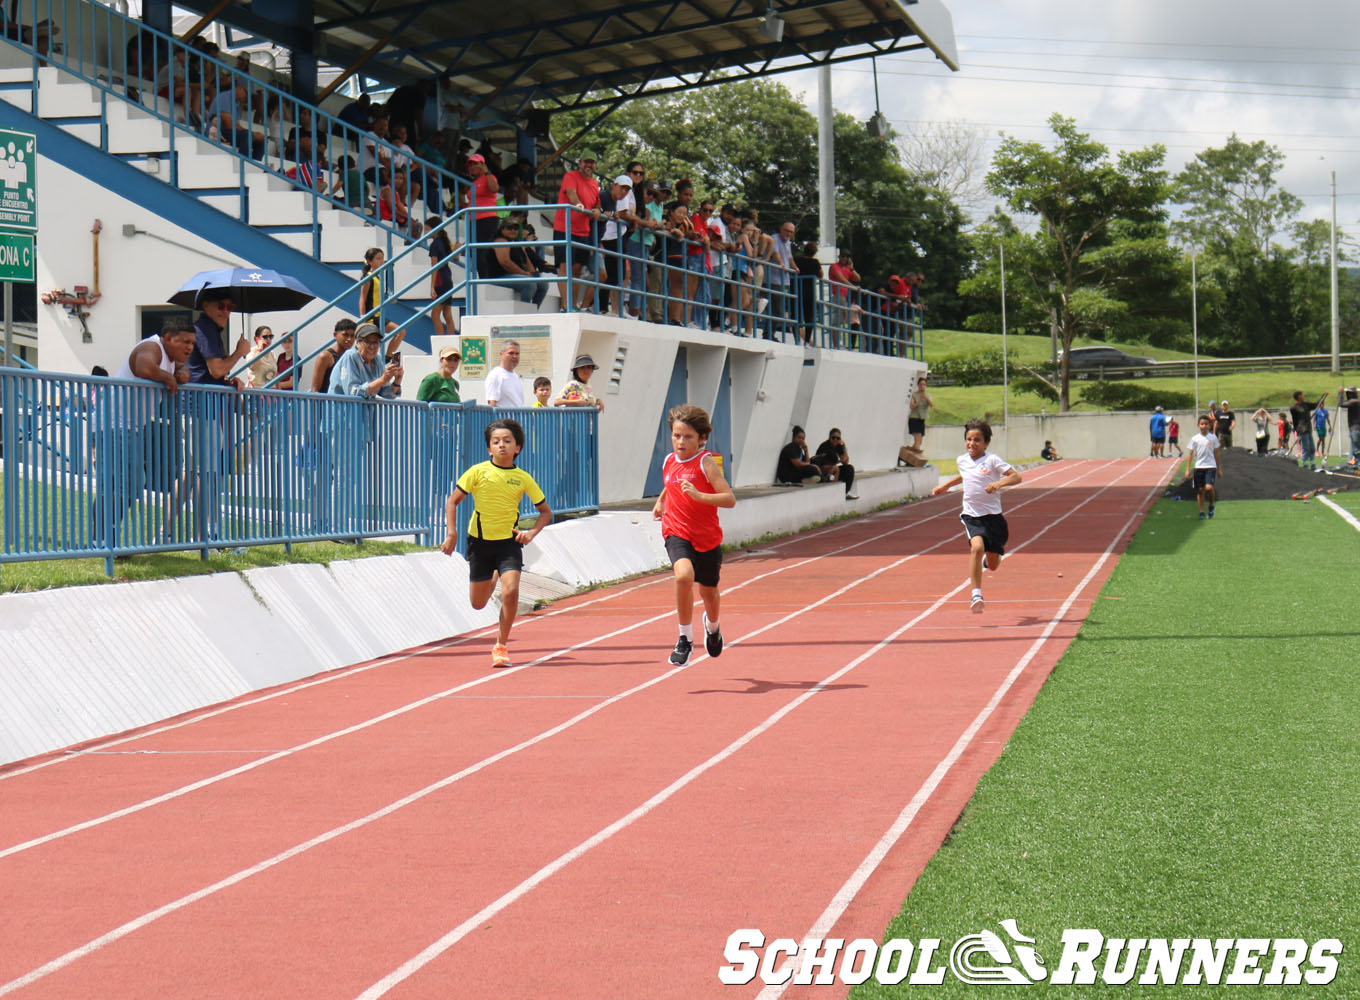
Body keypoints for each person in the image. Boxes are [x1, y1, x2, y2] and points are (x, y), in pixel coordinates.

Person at [440, 418, 553, 669]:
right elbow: (452, 501)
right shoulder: (477, 472)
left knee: (511, 591)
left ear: (518, 448)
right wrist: (452, 533)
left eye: (507, 441)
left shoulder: (523, 478)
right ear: (489, 449)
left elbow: (545, 512)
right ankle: (492, 575)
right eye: (496, 441)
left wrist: (531, 533)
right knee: (478, 603)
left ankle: (501, 646)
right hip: (479, 543)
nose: (501, 445)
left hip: (508, 543)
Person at [92, 320, 196, 548]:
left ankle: (101, 538)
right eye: (185, 342)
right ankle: (101, 539)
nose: (190, 348)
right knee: (123, 482)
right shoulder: (153, 347)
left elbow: (178, 370)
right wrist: (169, 377)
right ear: (168, 337)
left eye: (192, 343)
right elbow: (144, 368)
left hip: (131, 425)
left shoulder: (169, 358)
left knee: (128, 482)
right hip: (116, 422)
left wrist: (180, 372)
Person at [651, 404, 736, 666]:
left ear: (702, 439)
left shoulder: (705, 463)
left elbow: (729, 499)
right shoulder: (668, 460)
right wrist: (661, 501)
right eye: (676, 435)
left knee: (708, 592)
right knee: (683, 576)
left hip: (707, 537)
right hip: (677, 529)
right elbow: (671, 483)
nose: (680, 441)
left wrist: (699, 496)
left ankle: (713, 627)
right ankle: (685, 638)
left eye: (687, 436)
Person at [930, 418, 1022, 614]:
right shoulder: (962, 460)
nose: (972, 443)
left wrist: (998, 484)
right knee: (977, 547)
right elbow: (964, 475)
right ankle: (976, 594)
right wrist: (945, 486)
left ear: (986, 443)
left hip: (994, 518)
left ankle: (989, 561)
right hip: (972, 515)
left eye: (977, 440)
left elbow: (1017, 476)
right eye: (969, 439)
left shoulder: (992, 460)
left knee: (994, 565)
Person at [330, 322, 403, 399]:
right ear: (358, 342)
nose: (372, 347)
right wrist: (383, 379)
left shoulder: (377, 359)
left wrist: (397, 381)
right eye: (367, 342)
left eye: (375, 343)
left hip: (364, 410)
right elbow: (353, 393)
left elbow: (387, 394)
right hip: (342, 409)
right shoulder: (350, 356)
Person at [1182, 413, 1222, 520]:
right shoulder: (1195, 439)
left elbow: (1217, 454)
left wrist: (1219, 469)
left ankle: (1211, 505)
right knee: (1200, 490)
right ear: (1198, 425)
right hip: (1199, 467)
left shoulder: (1213, 438)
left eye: (1206, 424)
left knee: (1209, 487)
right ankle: (1202, 512)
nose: (1204, 426)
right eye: (1202, 424)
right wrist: (1187, 469)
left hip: (1210, 466)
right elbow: (1190, 454)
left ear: (1209, 425)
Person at [426, 216, 457, 338]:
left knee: (435, 314)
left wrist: (432, 287)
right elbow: (455, 257)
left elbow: (435, 266)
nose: (425, 232)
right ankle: (451, 339)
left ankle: (442, 342)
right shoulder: (444, 241)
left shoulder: (434, 244)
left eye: (427, 229)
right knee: (447, 313)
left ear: (436, 229)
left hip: (440, 280)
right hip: (448, 277)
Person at [311, 318, 357, 394]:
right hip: (328, 403)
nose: (349, 339)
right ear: (335, 335)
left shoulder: (354, 357)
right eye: (345, 335)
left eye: (352, 336)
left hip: (346, 404)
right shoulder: (325, 357)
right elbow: (315, 390)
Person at [814, 428, 857, 499]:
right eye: (833, 438)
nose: (835, 440)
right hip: (824, 469)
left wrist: (844, 448)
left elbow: (845, 462)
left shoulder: (839, 447)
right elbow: (821, 461)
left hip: (834, 468)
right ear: (829, 438)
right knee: (834, 468)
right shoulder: (824, 446)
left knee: (849, 468)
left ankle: (846, 492)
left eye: (838, 438)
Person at [484, 340, 524, 406]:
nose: (514, 356)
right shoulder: (495, 375)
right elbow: (492, 403)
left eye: (517, 354)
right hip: (503, 416)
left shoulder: (515, 376)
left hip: (517, 415)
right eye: (511, 353)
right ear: (501, 354)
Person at [1290, 391, 1321, 468]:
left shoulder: (1306, 405)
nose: (1304, 396)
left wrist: (1323, 397)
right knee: (1306, 449)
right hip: (1302, 430)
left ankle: (1312, 464)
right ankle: (1304, 465)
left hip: (1308, 429)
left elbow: (1315, 405)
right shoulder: (1294, 408)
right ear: (1299, 396)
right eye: (1302, 395)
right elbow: (1295, 420)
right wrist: (1296, 429)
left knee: (1312, 449)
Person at [907, 376, 933, 452]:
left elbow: (931, 405)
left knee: (919, 442)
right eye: (921, 384)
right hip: (914, 419)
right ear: (918, 385)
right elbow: (912, 406)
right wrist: (920, 400)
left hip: (921, 419)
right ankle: (915, 457)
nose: (922, 386)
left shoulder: (928, 395)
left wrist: (926, 398)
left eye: (924, 384)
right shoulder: (914, 394)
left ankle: (910, 454)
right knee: (917, 441)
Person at [1338, 386, 1360, 466]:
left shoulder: (1354, 401)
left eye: (1350, 393)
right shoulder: (1356, 401)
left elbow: (1341, 404)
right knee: (1353, 448)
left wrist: (1340, 393)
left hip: (1355, 430)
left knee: (1357, 450)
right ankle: (1351, 463)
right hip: (1354, 429)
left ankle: (1358, 466)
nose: (1349, 395)